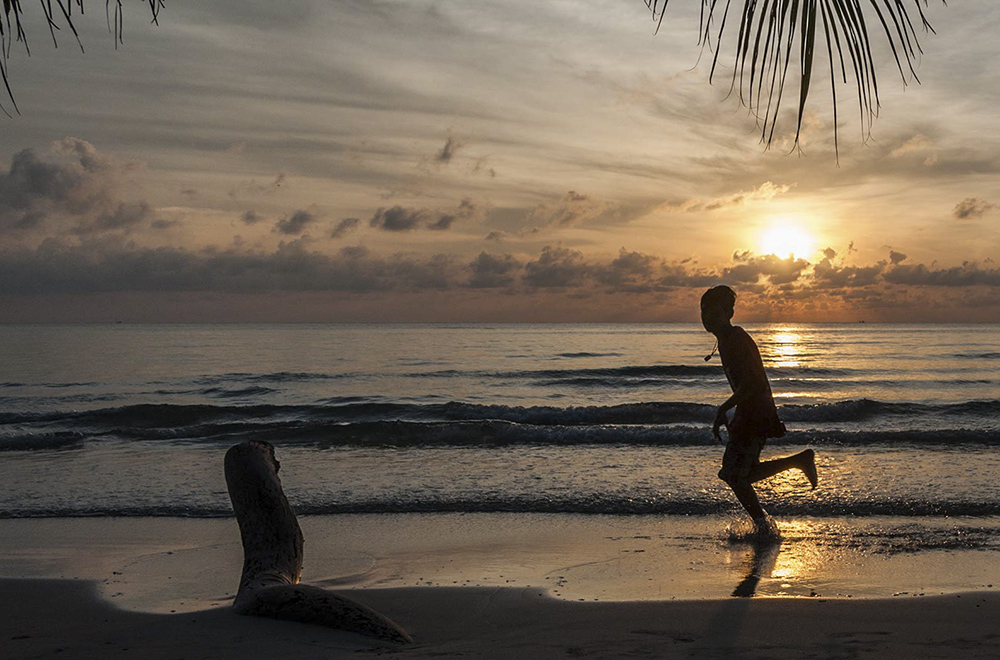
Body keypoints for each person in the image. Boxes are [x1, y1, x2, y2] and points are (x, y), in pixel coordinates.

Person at [700, 285, 817, 528]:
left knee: (732, 474)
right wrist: (733, 411)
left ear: (729, 313)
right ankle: (798, 463)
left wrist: (725, 409)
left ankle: (762, 525)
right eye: (704, 311)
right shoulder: (726, 341)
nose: (708, 317)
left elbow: (753, 383)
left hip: (755, 413)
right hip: (750, 411)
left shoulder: (736, 340)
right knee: (739, 474)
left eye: (714, 311)